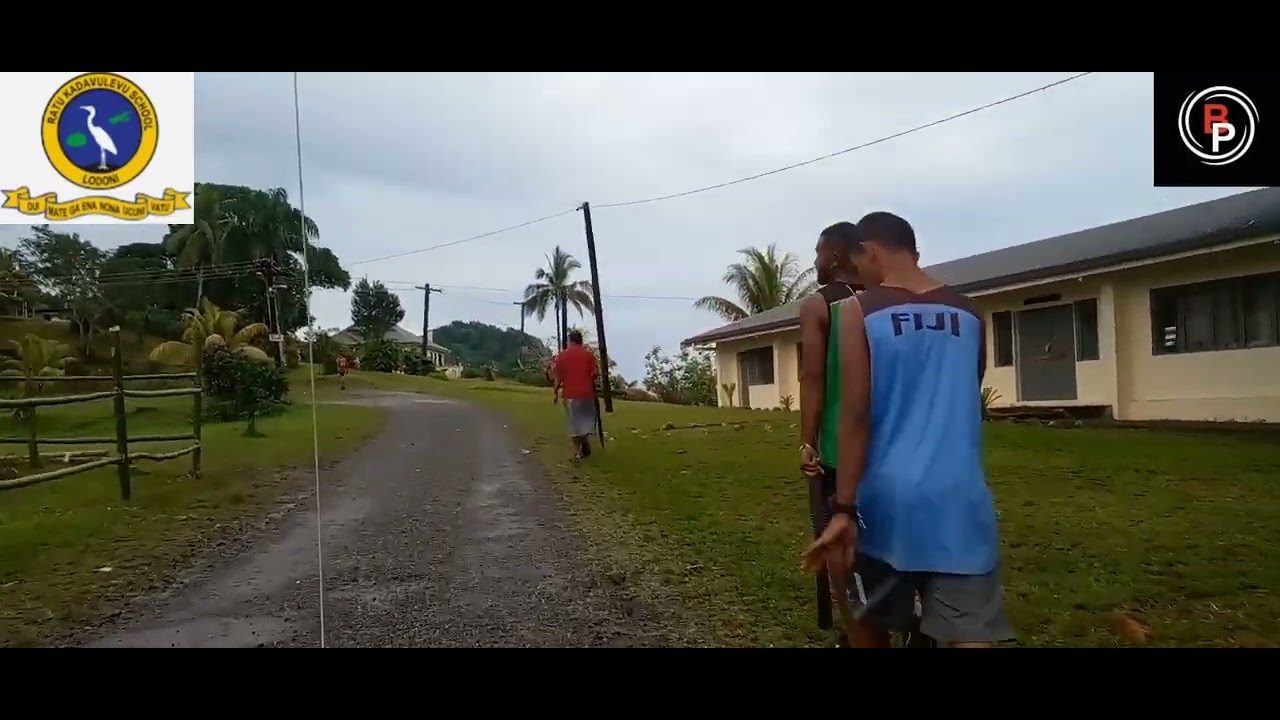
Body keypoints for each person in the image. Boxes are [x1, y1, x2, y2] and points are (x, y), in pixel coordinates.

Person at [803, 211, 1012, 648]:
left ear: (871, 251)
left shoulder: (857, 312)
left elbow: (856, 416)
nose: (857, 273)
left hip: (884, 502)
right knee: (971, 635)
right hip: (960, 500)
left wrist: (842, 509)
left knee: (868, 622)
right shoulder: (970, 313)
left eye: (858, 261)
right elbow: (966, 398)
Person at [798, 222, 862, 644]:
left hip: (840, 448)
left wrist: (807, 440)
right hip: (891, 445)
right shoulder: (889, 302)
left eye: (818, 253)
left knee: (837, 540)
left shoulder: (820, 305)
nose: (815, 262)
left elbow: (812, 376)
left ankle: (856, 627)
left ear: (835, 258)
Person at [550, 331, 599, 459]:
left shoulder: (561, 356)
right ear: (581, 341)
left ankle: (579, 451)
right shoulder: (589, 355)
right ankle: (584, 440)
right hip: (587, 393)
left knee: (574, 423)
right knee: (585, 420)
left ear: (570, 340)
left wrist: (555, 391)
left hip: (570, 395)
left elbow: (557, 378)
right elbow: (595, 373)